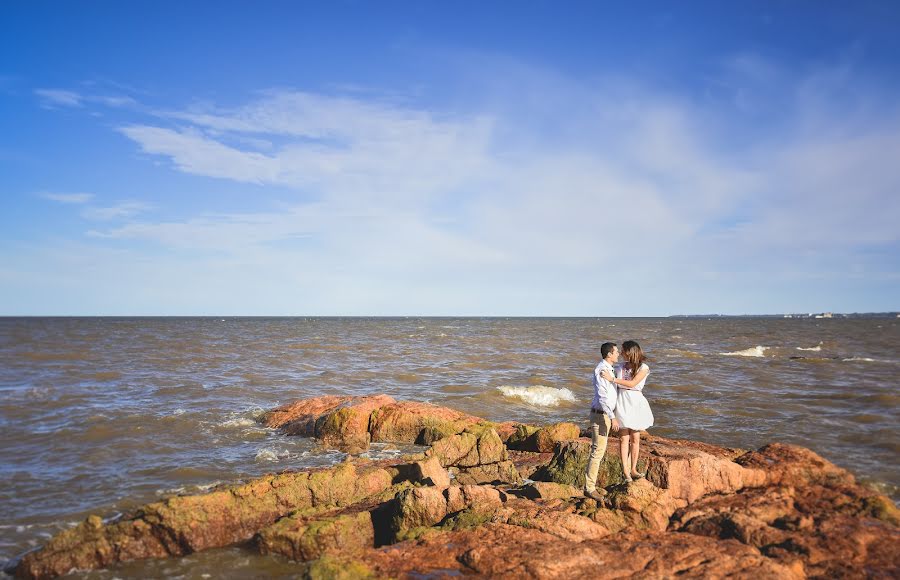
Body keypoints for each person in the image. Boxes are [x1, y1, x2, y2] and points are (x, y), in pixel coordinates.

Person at [602, 340, 653, 482]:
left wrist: (612, 379)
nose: (621, 353)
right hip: (622, 402)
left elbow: (632, 383)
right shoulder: (620, 367)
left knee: (635, 438)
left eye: (623, 351)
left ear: (630, 352)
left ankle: (633, 469)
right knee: (623, 438)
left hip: (635, 403)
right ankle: (625, 470)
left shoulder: (644, 367)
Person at [584, 342, 621, 500]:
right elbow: (602, 396)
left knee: (599, 451)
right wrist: (612, 418)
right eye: (616, 352)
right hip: (601, 415)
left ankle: (590, 485)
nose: (618, 354)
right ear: (609, 354)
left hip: (603, 414)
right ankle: (589, 488)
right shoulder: (601, 370)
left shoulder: (610, 369)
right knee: (597, 452)